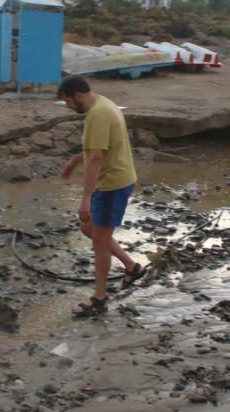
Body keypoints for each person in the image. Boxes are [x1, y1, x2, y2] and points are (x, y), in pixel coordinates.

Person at [58, 76, 146, 317]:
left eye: (67, 101)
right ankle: (131, 266)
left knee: (99, 240)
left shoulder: (97, 115)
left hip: (112, 185)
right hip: (114, 179)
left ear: (76, 95)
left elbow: (96, 158)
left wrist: (86, 197)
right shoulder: (104, 103)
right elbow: (98, 149)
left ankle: (99, 298)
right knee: (89, 228)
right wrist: (75, 161)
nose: (68, 106)